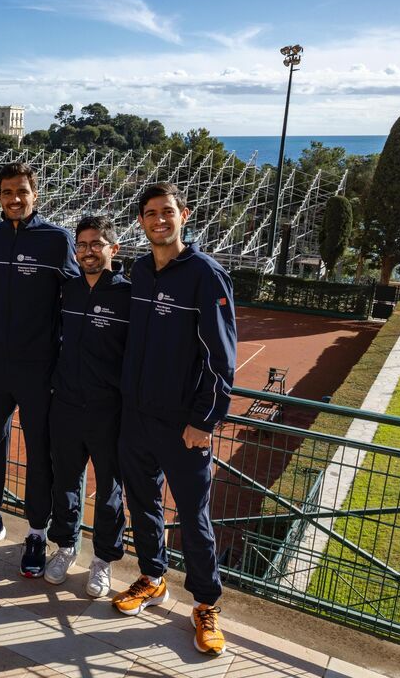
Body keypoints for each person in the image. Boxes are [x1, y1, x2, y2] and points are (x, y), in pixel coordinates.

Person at [111, 182, 236, 656]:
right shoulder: (141, 271)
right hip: (136, 416)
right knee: (142, 502)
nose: (158, 220)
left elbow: (221, 358)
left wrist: (204, 420)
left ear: (184, 215)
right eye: (149, 213)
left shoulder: (207, 274)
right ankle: (153, 577)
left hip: (184, 424)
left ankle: (205, 604)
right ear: (141, 221)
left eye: (167, 212)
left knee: (192, 515)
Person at [0, 162, 80, 578]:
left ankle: (35, 532)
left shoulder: (57, 240)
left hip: (39, 369)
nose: (15, 199)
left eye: (22, 191)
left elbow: (75, 298)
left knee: (38, 457)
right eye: (7, 191)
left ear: (35, 194)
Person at [44, 215, 129, 598]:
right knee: (64, 482)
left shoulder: (128, 294)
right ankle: (65, 547)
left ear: (114, 248)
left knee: (109, 488)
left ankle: (103, 561)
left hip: (107, 410)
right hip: (65, 403)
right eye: (82, 244)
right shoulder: (70, 290)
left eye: (97, 243)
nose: (89, 251)